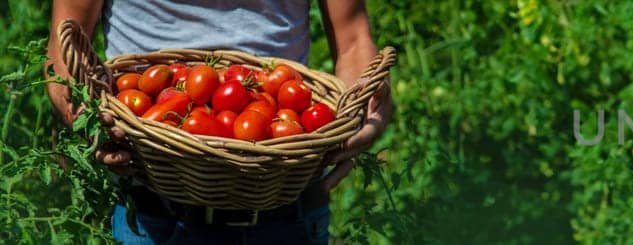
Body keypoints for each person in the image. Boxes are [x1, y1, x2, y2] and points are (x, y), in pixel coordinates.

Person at [45, 0, 392, 244]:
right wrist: (89, 119)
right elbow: (65, 45)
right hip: (153, 201)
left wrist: (367, 107)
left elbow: (353, 41)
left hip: (287, 192)